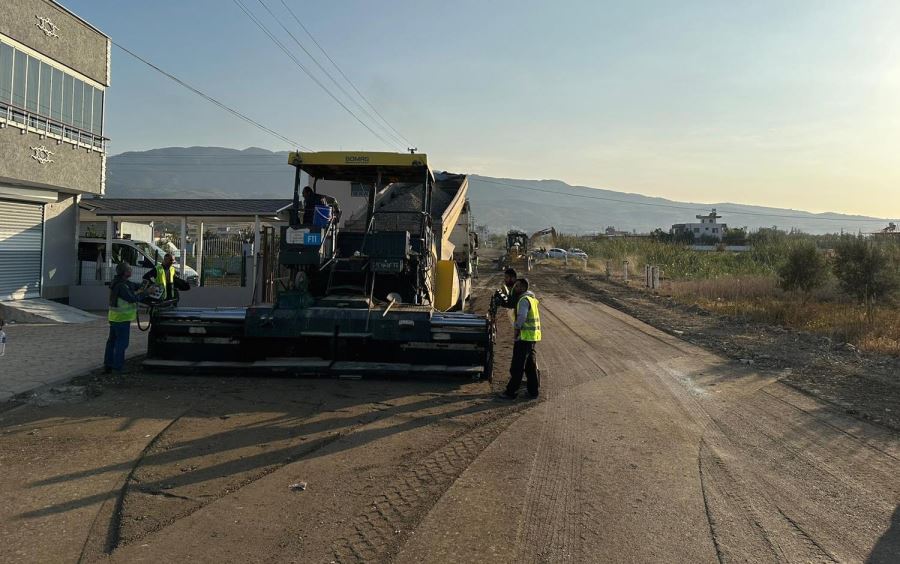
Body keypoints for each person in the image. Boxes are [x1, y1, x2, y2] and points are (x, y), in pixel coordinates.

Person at [500, 278, 541, 400]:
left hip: (523, 338)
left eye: (517, 286)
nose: (514, 289)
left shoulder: (523, 300)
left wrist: (517, 328)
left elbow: (522, 316)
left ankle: (511, 392)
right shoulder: (531, 299)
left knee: (517, 367)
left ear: (523, 288)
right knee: (530, 367)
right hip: (531, 338)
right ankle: (533, 392)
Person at [104, 262, 145, 374]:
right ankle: (117, 368)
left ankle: (108, 365)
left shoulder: (118, 282)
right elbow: (132, 298)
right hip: (121, 319)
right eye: (129, 269)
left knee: (111, 342)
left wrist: (142, 286)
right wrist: (146, 293)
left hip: (114, 318)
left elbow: (132, 285)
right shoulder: (122, 286)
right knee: (121, 343)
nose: (131, 271)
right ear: (125, 272)